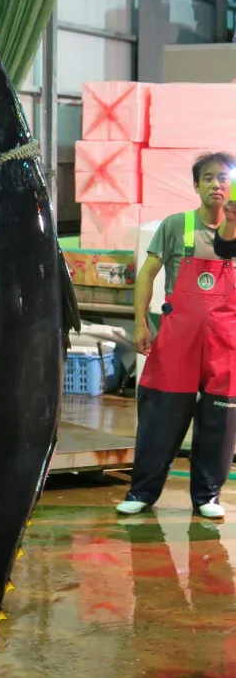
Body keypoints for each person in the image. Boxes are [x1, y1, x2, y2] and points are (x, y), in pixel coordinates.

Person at [117, 151, 236, 520]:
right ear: (196, 185)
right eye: (208, 178)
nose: (216, 184)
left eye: (223, 177)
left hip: (226, 342)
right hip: (177, 341)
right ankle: (142, 492)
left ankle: (207, 496)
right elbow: (147, 274)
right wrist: (140, 323)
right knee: (161, 417)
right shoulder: (176, 225)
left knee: (221, 420)